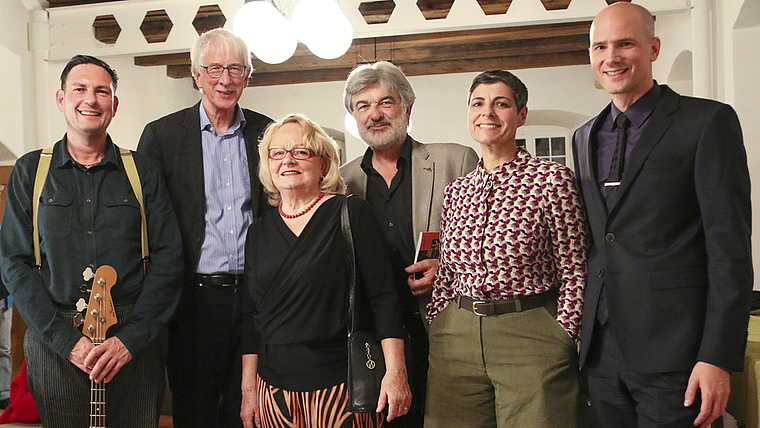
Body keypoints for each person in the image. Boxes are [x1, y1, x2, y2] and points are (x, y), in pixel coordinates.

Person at [573, 3, 754, 428]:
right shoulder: (584, 136)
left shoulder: (706, 122)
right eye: (600, 46)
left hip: (678, 353)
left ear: (653, 48)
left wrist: (717, 356)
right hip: (599, 353)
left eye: (625, 44)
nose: (611, 57)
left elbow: (729, 249)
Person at [0, 54, 183, 427]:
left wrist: (130, 340)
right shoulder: (30, 171)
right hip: (56, 336)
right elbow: (14, 263)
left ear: (114, 104)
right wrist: (66, 342)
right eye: (79, 89)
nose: (91, 99)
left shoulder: (142, 170)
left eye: (102, 91)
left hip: (133, 337)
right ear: (61, 99)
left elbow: (169, 258)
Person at [424, 70, 586, 428]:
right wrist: (439, 319)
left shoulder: (551, 180)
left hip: (531, 334)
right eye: (478, 103)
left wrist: (564, 332)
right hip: (457, 335)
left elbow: (575, 267)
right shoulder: (457, 191)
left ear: (521, 114)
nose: (488, 113)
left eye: (502, 104)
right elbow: (448, 271)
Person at [137, 28, 272, 428]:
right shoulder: (161, 136)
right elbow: (145, 221)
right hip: (192, 301)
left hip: (256, 297)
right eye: (214, 68)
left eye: (235, 69)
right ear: (196, 75)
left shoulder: (268, 132)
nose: (225, 79)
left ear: (248, 76)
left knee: (249, 409)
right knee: (193, 410)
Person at [240, 114, 411, 428]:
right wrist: (248, 390)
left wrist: (395, 372)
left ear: (323, 164)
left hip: (341, 386)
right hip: (273, 391)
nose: (287, 160)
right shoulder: (258, 231)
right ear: (267, 164)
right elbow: (250, 318)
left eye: (301, 151)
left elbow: (384, 299)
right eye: (277, 153)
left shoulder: (350, 213)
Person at [340, 61, 478, 427]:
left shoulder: (455, 160)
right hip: (375, 329)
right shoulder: (342, 180)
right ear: (354, 117)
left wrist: (446, 268)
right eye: (363, 106)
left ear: (407, 108)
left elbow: (484, 240)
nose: (375, 115)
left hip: (442, 321)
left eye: (386, 102)